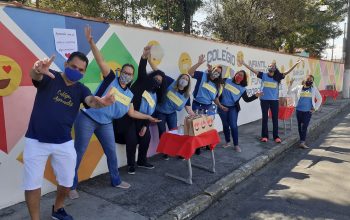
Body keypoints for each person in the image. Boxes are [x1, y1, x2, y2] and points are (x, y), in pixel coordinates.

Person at [69, 26, 160, 200]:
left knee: (111, 152)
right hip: (88, 118)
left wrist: (148, 117)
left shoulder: (130, 94)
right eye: (125, 72)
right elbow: (101, 60)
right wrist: (91, 42)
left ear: (132, 77)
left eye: (130, 74)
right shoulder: (110, 78)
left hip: (106, 123)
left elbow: (132, 113)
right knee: (79, 151)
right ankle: (71, 186)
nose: (127, 75)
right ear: (120, 73)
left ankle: (116, 180)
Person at [24, 52, 115, 220]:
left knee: (67, 183)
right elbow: (35, 76)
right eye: (73, 67)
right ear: (66, 65)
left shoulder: (81, 89)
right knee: (32, 184)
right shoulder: (50, 76)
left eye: (81, 70)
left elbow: (90, 101)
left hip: (63, 142)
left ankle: (58, 209)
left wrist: (101, 103)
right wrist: (37, 69)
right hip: (36, 140)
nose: (77, 71)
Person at [114, 45, 168, 175]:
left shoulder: (156, 95)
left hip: (142, 120)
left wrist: (145, 125)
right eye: (156, 78)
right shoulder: (142, 82)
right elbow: (142, 68)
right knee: (131, 140)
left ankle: (142, 161)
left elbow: (150, 113)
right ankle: (131, 165)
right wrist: (144, 56)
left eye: (160, 81)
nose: (157, 82)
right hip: (129, 117)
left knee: (146, 138)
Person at [242, 59, 302, 143]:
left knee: (275, 119)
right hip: (264, 100)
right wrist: (244, 63)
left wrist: (295, 64)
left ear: (275, 68)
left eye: (273, 66)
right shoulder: (263, 75)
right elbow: (253, 70)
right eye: (270, 66)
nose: (271, 67)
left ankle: (276, 136)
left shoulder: (278, 76)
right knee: (265, 118)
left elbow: (287, 72)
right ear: (268, 68)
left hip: (274, 100)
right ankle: (264, 136)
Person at [215, 70, 262, 152]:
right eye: (238, 74)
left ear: (243, 78)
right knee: (225, 125)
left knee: (233, 126)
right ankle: (227, 142)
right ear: (235, 74)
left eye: (241, 75)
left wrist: (255, 96)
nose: (239, 76)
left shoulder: (242, 89)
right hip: (222, 106)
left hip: (233, 108)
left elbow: (247, 99)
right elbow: (216, 81)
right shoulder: (227, 80)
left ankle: (236, 145)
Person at [154, 73, 195, 159]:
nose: (184, 80)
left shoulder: (186, 95)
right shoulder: (170, 83)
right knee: (162, 133)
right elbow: (159, 73)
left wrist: (193, 115)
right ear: (179, 78)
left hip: (172, 113)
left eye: (187, 79)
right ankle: (165, 151)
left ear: (188, 83)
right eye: (183, 78)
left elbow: (188, 108)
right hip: (160, 112)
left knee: (175, 133)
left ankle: (179, 151)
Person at [188, 54, 222, 154]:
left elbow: (215, 98)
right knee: (196, 126)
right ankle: (197, 146)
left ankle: (207, 143)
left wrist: (220, 106)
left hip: (209, 106)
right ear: (212, 70)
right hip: (197, 104)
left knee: (207, 126)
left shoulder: (217, 85)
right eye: (216, 70)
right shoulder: (203, 76)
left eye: (219, 73)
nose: (217, 73)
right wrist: (199, 63)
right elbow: (190, 72)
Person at [288, 75, 322, 148]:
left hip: (308, 111)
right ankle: (301, 140)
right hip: (299, 110)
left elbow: (319, 99)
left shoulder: (313, 89)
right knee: (300, 126)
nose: (309, 81)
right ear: (304, 80)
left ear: (312, 82)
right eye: (308, 79)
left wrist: (315, 108)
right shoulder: (298, 87)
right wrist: (290, 84)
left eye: (311, 80)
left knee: (305, 126)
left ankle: (302, 142)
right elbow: (289, 92)